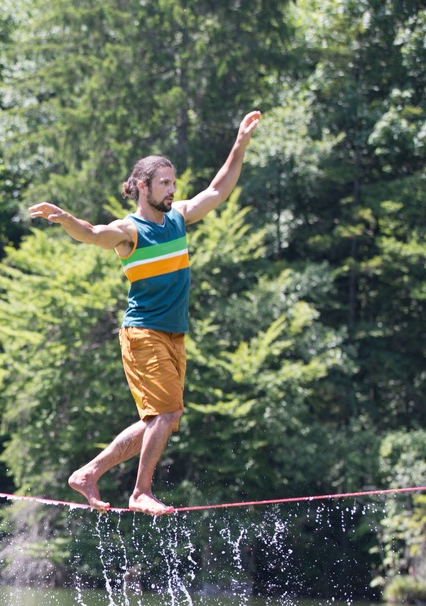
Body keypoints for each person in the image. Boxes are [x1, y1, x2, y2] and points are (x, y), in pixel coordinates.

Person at [28, 110, 262, 515]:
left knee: (163, 419)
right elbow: (92, 233)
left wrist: (239, 143)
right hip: (143, 333)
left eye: (174, 183)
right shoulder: (130, 231)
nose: (172, 189)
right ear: (141, 186)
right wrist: (65, 219)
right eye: (165, 183)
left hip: (174, 334)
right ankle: (140, 491)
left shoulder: (179, 218)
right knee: (167, 413)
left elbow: (218, 189)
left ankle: (90, 472)